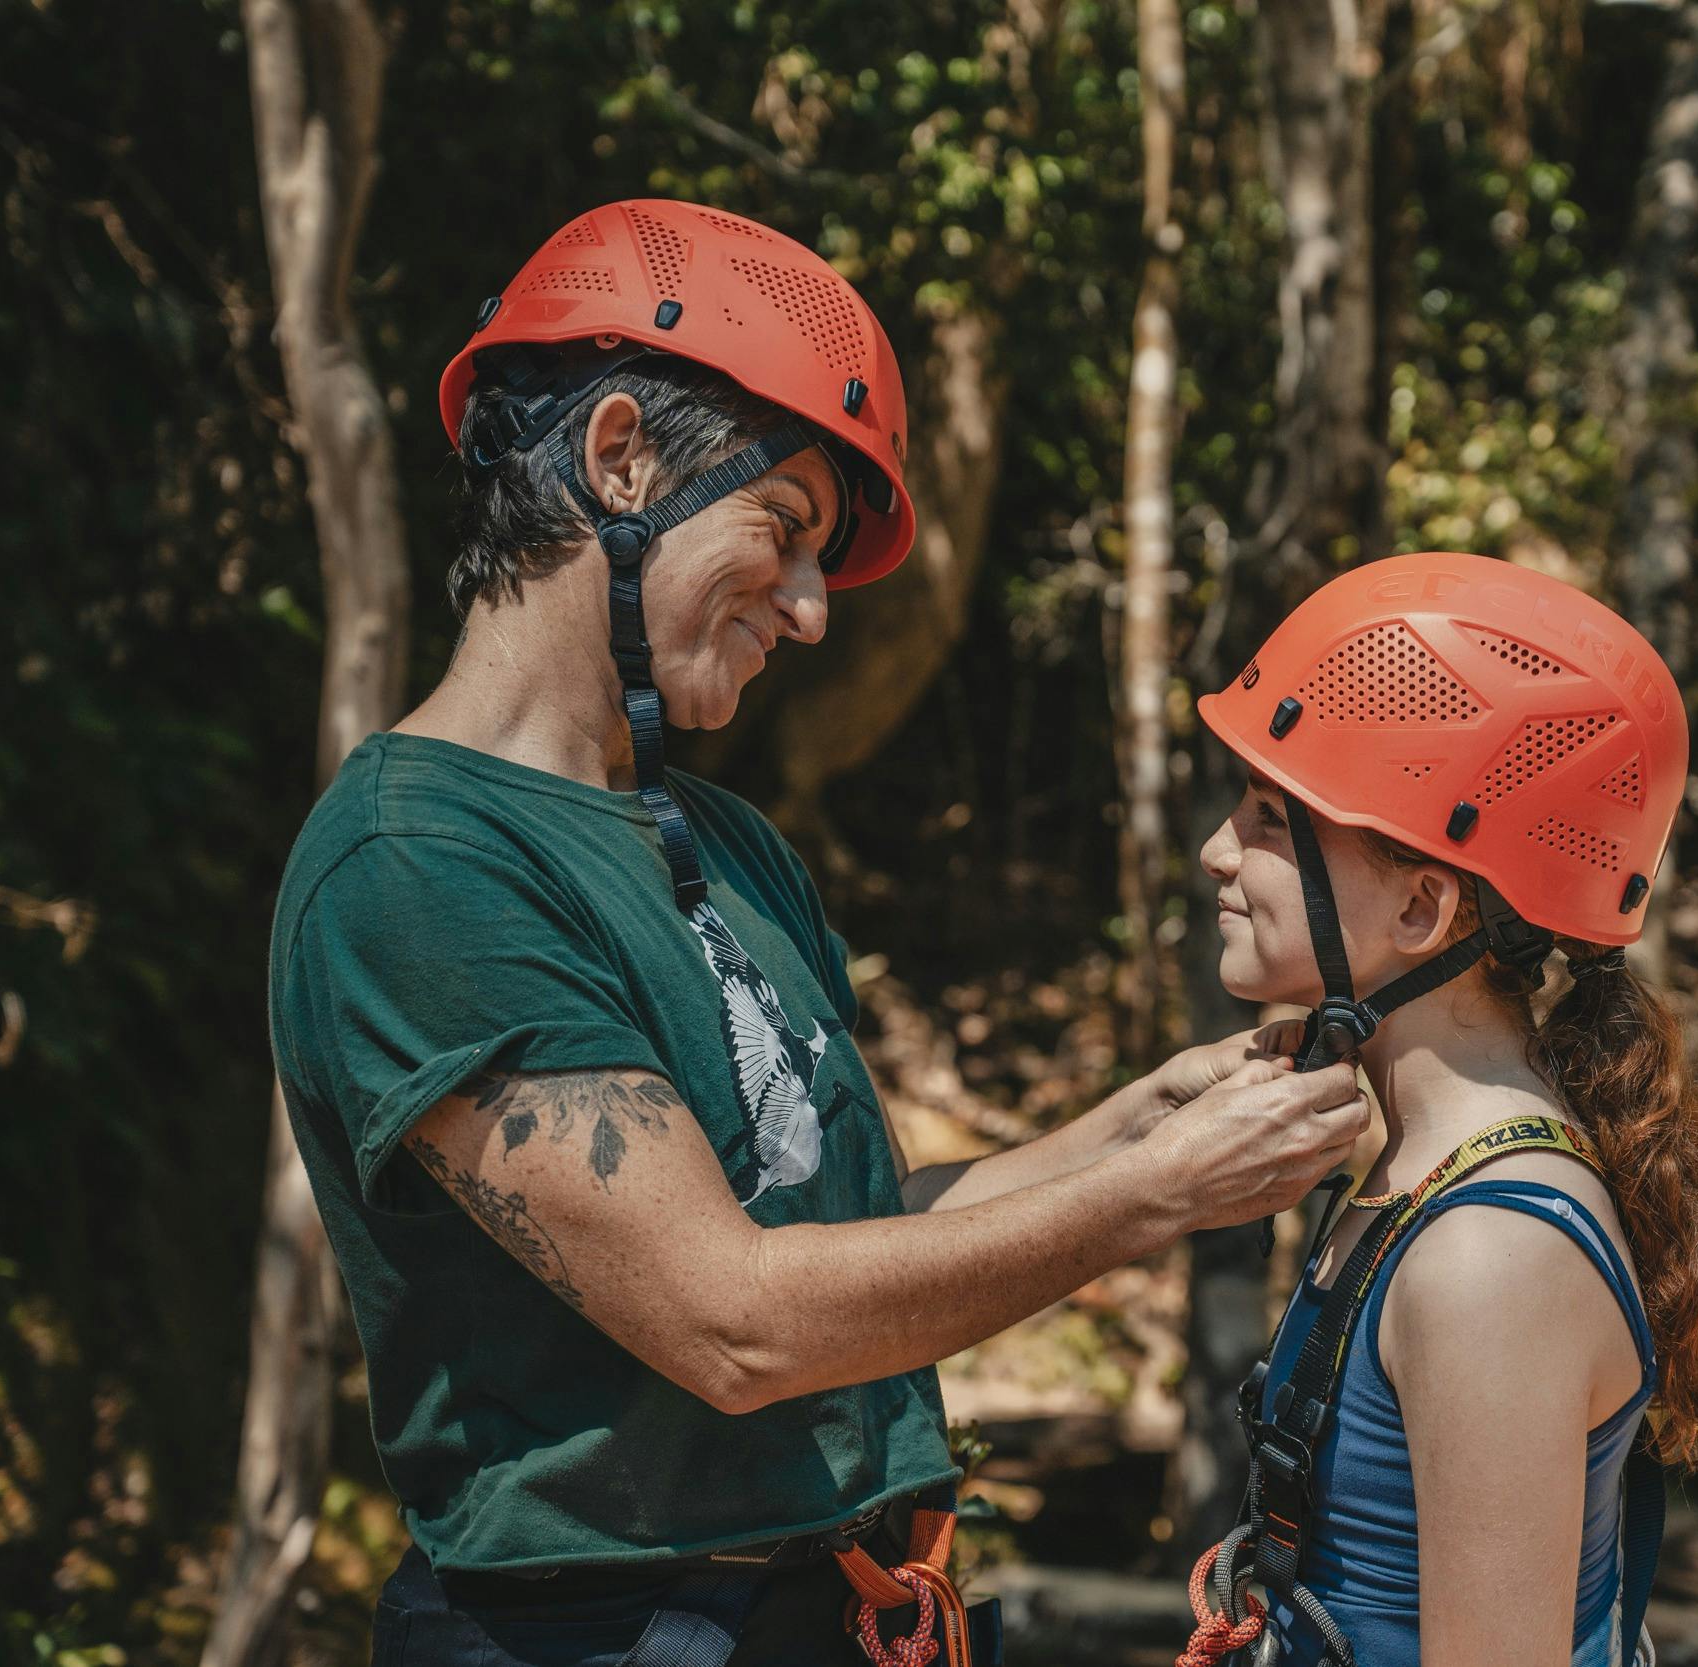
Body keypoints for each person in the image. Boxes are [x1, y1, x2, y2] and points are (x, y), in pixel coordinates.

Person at [266, 199, 1368, 1667]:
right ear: (617, 458)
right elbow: (738, 1322)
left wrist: (1127, 1127)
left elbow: (831, 1237)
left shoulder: (725, 846)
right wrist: (1151, 1198)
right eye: (783, 532)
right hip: (616, 1629)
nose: (809, 611)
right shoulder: (418, 863)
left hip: (825, 1606)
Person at [1178, 552, 1698, 1667]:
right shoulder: (1413, 1169)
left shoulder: (1488, 1258)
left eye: (1269, 816)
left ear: (1422, 903)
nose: (1220, 849)